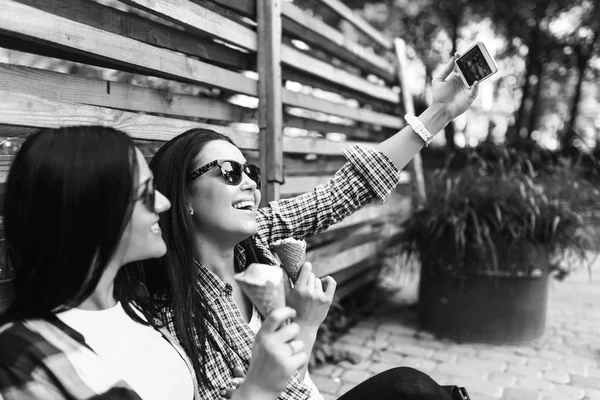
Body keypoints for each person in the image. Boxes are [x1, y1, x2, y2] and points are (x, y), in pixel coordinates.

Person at [142, 55, 478, 400]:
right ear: (183, 199)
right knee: (411, 389)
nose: (249, 185)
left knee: (412, 388)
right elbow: (282, 392)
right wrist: (306, 323)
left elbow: (339, 194)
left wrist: (440, 112)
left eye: (251, 172)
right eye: (229, 172)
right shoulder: (180, 314)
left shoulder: (256, 238)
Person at [0, 126, 308, 400]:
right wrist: (258, 390)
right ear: (94, 208)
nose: (163, 203)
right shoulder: (21, 357)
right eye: (145, 193)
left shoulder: (134, 309)